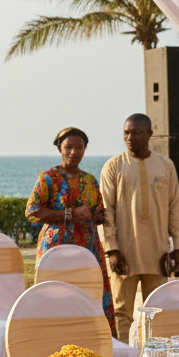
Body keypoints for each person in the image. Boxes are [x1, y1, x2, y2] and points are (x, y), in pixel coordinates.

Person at [101, 113, 179, 343]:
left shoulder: (165, 166)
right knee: (121, 311)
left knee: (157, 311)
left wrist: (178, 248)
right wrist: (111, 249)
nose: (130, 137)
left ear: (150, 134)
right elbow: (105, 211)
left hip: (158, 252)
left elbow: (175, 207)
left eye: (137, 132)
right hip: (124, 253)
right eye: (126, 133)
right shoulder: (113, 166)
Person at [25, 126, 117, 336]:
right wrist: (69, 214)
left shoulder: (90, 180)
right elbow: (32, 212)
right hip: (57, 249)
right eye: (69, 147)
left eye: (79, 147)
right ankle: (51, 339)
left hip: (88, 248)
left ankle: (92, 340)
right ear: (60, 149)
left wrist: (105, 215)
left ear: (85, 150)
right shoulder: (48, 178)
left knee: (88, 295)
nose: (74, 152)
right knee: (56, 297)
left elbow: (97, 213)